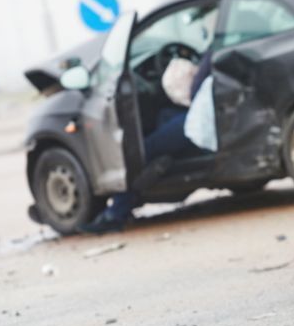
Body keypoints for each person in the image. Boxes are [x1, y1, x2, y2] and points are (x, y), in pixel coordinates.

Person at [78, 52, 213, 234]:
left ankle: (116, 214)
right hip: (200, 111)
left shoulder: (219, 46)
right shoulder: (222, 44)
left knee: (141, 151)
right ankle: (167, 159)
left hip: (198, 118)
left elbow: (195, 90)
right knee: (164, 115)